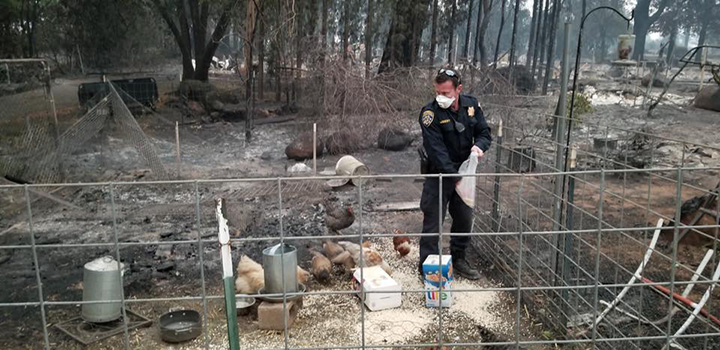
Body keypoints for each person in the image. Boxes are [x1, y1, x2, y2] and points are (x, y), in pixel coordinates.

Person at [418, 68, 492, 280]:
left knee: (464, 218)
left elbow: (484, 132)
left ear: (459, 89)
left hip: (464, 172)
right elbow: (436, 150)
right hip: (439, 175)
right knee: (433, 220)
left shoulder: (471, 106)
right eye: (438, 92)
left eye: (447, 93)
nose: (441, 97)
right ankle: (427, 267)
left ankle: (459, 258)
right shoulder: (429, 114)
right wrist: (454, 176)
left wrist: (479, 147)